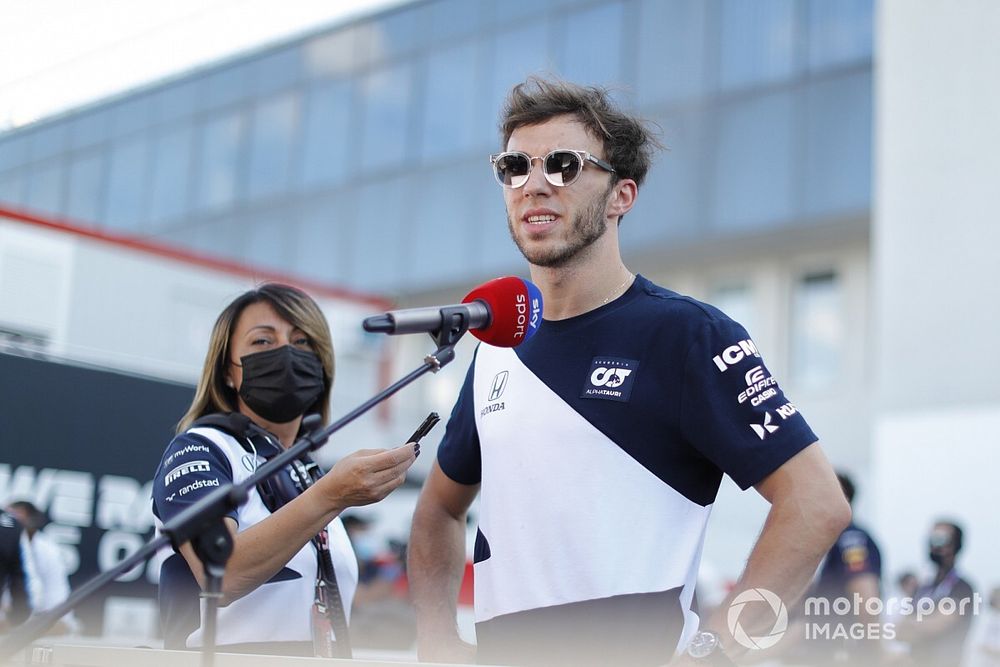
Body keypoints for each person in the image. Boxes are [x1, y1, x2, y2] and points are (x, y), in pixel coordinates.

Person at [407, 77, 850, 666]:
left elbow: (817, 503)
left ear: (622, 196)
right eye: (514, 166)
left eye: (564, 164)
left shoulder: (688, 334)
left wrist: (716, 653)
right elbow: (439, 507)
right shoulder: (498, 344)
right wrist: (436, 637)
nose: (534, 184)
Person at [151, 283, 416, 656]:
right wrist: (332, 495)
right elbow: (222, 574)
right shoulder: (202, 448)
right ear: (228, 370)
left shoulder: (310, 472)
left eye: (302, 342)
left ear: (321, 365)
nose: (286, 354)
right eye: (262, 341)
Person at [804, 472, 883, 663]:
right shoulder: (833, 542)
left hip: (843, 653)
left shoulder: (851, 540)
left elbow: (865, 599)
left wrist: (878, 651)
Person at [896, 520, 976, 667]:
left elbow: (937, 625)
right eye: (931, 538)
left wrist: (915, 624)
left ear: (955, 545)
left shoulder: (962, 588)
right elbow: (899, 632)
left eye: (940, 538)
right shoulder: (923, 588)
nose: (934, 545)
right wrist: (920, 624)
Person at [5, 501, 79, 635]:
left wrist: (18, 624)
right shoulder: (5, 546)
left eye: (15, 522)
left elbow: (60, 621)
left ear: (31, 529)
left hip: (33, 629)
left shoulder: (48, 552)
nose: (8, 526)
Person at [0, 510, 30, 631]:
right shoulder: (12, 524)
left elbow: (18, 577)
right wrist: (18, 617)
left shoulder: (12, 525)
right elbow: (18, 578)